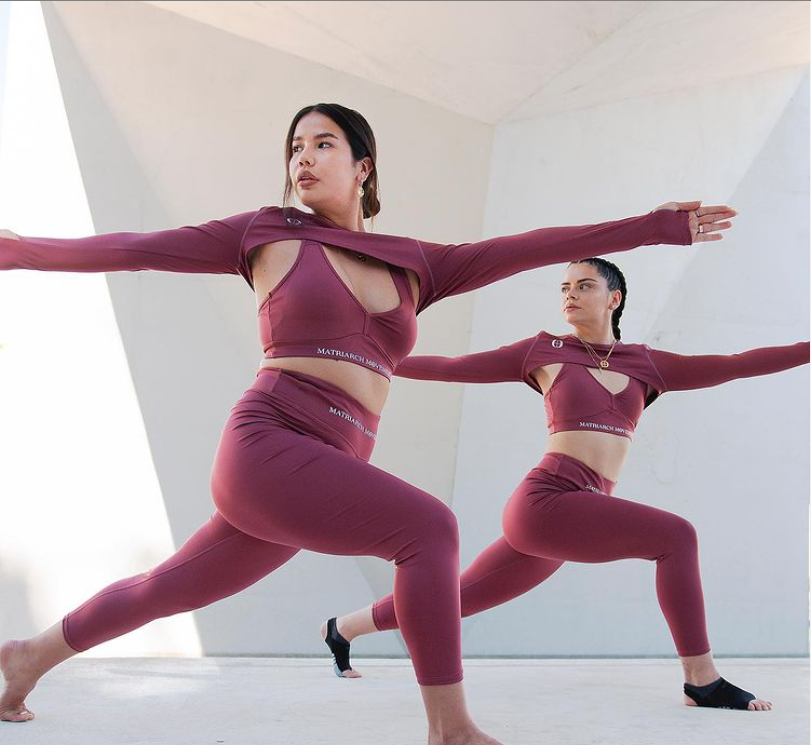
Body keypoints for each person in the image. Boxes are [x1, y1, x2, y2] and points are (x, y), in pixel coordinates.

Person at [0, 101, 728, 739]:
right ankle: (450, 729)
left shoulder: (416, 263)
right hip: (269, 441)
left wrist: (658, 227)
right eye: (293, 146)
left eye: (321, 144)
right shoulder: (263, 232)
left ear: (363, 167)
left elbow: (526, 246)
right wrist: (15, 249)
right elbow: (132, 249)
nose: (302, 158)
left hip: (333, 462)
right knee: (429, 528)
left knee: (168, 587)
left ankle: (27, 656)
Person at [324, 257, 808, 712]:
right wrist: (365, 356)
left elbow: (738, 362)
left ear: (614, 298)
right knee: (676, 537)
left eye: (584, 286)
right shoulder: (544, 351)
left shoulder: (647, 364)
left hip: (582, 510)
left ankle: (343, 628)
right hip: (547, 502)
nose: (570, 296)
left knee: (455, 599)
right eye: (564, 288)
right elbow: (452, 368)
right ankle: (701, 680)